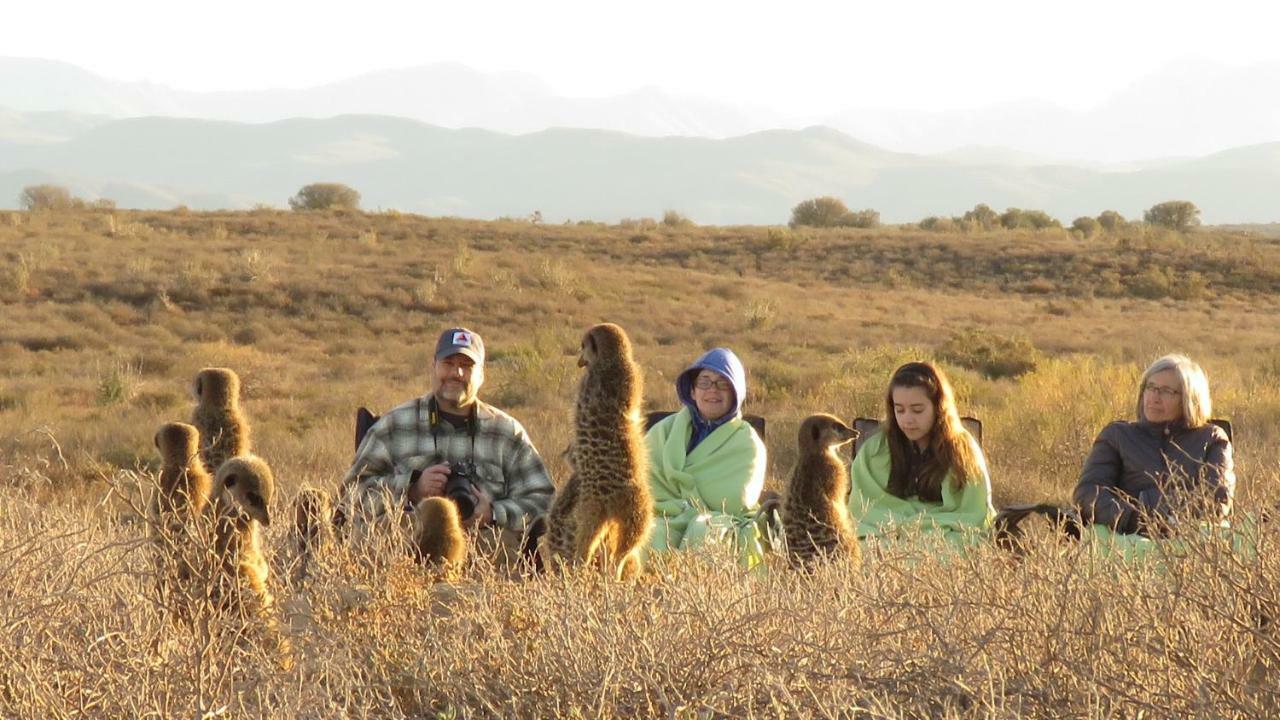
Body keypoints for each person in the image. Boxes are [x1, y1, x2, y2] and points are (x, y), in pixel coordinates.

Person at [340, 327, 554, 554]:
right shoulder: (393, 426)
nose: (457, 373)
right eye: (449, 363)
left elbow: (545, 502)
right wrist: (411, 489)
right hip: (406, 562)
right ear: (433, 367)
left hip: (485, 569)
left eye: (467, 366)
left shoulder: (507, 433)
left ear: (482, 374)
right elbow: (350, 496)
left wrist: (492, 513)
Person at [1073, 354, 1234, 548]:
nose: (1154, 397)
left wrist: (1163, 511)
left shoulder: (1212, 438)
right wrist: (1137, 519)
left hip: (1192, 548)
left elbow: (1217, 500)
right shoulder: (1117, 435)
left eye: (1166, 391)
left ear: (1189, 398)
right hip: (1127, 546)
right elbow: (1088, 493)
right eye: (1151, 387)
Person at [847, 361, 995, 547]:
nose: (907, 419)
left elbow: (975, 514)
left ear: (938, 407)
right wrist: (904, 527)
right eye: (899, 410)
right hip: (886, 535)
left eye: (917, 410)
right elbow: (862, 511)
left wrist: (923, 528)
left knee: (967, 546)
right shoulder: (875, 449)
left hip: (944, 538)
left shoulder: (963, 449)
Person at [645, 348, 767, 568]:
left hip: (721, 520)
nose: (712, 390)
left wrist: (691, 509)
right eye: (705, 382)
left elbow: (734, 498)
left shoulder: (746, 441)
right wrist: (678, 507)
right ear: (692, 391)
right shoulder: (662, 431)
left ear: (735, 393)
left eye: (722, 383)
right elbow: (644, 481)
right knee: (649, 535)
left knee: (705, 533)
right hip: (664, 514)